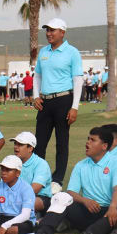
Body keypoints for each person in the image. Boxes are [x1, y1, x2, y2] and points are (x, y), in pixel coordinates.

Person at [27, 127, 117, 234]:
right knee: (61, 196)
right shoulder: (81, 165)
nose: (87, 143)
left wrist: (113, 207)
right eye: (88, 139)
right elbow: (71, 192)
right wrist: (85, 201)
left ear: (104, 146)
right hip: (88, 210)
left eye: (93, 140)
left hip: (109, 211)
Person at [32, 18, 83, 189]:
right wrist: (35, 96)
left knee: (61, 141)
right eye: (47, 30)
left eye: (52, 30)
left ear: (62, 32)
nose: (49, 33)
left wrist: (74, 107)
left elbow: (77, 80)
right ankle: (39, 176)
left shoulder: (72, 52)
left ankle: (57, 179)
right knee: (39, 142)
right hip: (45, 102)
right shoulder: (43, 52)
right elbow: (37, 75)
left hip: (64, 100)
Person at [10, 131, 52, 214]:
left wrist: (14, 198)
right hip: (15, 196)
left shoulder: (41, 164)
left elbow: (34, 189)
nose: (16, 147)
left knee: (26, 203)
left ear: (30, 148)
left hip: (39, 197)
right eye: (15, 143)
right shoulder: (11, 161)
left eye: (20, 144)